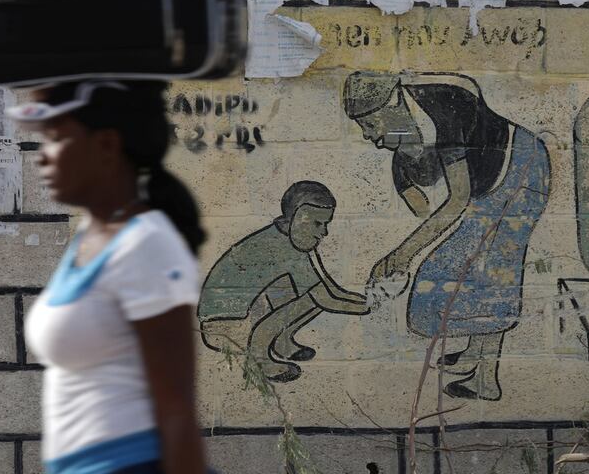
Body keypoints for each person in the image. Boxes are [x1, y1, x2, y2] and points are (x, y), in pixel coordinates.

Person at [12, 80, 210, 474]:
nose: (42, 158)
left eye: (55, 139)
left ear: (105, 145)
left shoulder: (147, 244)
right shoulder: (93, 234)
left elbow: (176, 411)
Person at [344, 72, 551, 401]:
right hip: (492, 183)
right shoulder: (413, 119)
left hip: (522, 169)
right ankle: (474, 355)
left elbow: (456, 201)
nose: (370, 136)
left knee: (491, 273)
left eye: (371, 124)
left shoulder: (442, 111)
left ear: (394, 104)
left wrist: (402, 254)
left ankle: (486, 380)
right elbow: (425, 198)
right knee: (475, 267)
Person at [198, 181, 369, 382]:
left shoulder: (287, 239)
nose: (324, 233)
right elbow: (325, 298)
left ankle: (282, 342)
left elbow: (328, 288)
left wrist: (365, 299)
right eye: (317, 223)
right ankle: (260, 359)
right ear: (296, 217)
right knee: (311, 298)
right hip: (225, 329)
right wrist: (367, 306)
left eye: (326, 224)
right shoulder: (282, 247)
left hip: (236, 322)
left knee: (304, 291)